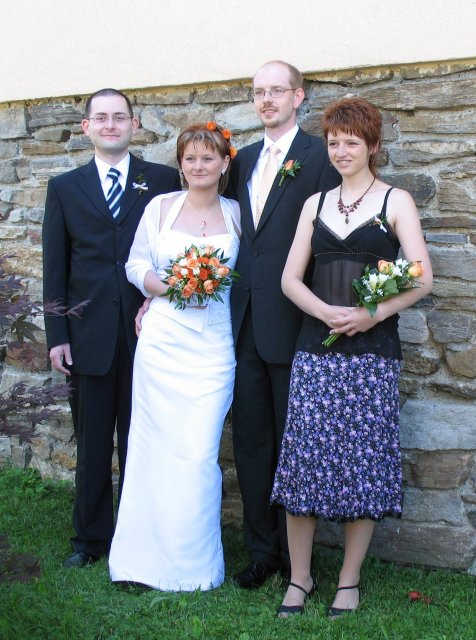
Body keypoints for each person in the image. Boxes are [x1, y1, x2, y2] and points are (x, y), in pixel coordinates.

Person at [271, 97, 433, 618]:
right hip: (314, 353)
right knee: (304, 462)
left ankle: (348, 580)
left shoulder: (395, 201)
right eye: (334, 143)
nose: (341, 152)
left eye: (352, 143)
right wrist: (323, 311)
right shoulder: (314, 204)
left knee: (362, 466)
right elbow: (289, 279)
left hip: (372, 355)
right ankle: (299, 578)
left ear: (373, 146)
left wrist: (371, 314)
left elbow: (422, 278)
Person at [42, 88, 181, 568]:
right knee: (94, 441)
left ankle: (138, 532)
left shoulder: (162, 180)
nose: (110, 125)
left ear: (134, 125)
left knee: (144, 439)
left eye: (119, 117)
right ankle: (89, 538)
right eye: (100, 118)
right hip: (89, 336)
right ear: (86, 127)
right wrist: (57, 336)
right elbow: (55, 268)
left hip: (150, 331)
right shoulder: (65, 188)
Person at [108, 123, 240, 591]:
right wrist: (167, 288)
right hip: (163, 342)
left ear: (224, 163)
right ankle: (139, 561)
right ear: (180, 165)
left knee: (198, 453)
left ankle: (193, 568)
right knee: (152, 447)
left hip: (213, 348)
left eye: (208, 158)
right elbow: (135, 264)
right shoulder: (160, 208)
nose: (198, 166)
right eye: (190, 159)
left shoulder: (237, 213)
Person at [226, 60, 340, 588]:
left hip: (296, 323)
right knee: (251, 441)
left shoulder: (320, 156)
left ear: (299, 96)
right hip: (242, 323)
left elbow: (331, 240)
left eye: (277, 90)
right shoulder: (242, 160)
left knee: (297, 445)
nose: (266, 99)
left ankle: (300, 563)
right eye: (258, 92)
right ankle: (261, 551)